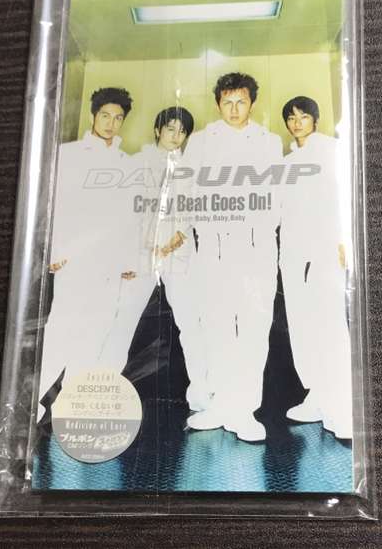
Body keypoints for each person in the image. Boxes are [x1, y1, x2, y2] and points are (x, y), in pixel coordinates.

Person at [168, 73, 283, 442]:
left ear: (252, 103)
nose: (234, 109)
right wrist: (187, 229)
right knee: (215, 325)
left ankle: (244, 411)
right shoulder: (202, 141)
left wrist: (257, 228)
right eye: (227, 102)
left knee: (252, 327)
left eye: (241, 102)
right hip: (212, 247)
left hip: (255, 248)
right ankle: (219, 405)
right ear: (218, 104)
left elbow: (277, 195)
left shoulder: (268, 142)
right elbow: (186, 189)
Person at [37, 87, 135, 421]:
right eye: (105, 115)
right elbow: (52, 205)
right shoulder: (68, 154)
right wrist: (54, 249)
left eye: (118, 118)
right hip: (75, 260)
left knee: (95, 334)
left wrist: (127, 260)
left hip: (109, 264)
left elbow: (128, 217)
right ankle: (32, 405)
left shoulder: (126, 163)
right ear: (93, 115)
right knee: (62, 329)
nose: (110, 123)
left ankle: (70, 405)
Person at [103, 106, 199, 397]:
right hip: (139, 256)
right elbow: (125, 213)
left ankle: (202, 393)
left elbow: (192, 213)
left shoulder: (191, 167)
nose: (176, 136)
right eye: (170, 129)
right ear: (158, 130)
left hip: (178, 255)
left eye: (182, 131)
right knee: (122, 321)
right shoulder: (138, 162)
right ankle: (103, 386)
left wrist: (170, 244)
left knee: (191, 322)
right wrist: (132, 254)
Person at [279, 96, 353, 439]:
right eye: (291, 118)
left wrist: (344, 240)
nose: (297, 123)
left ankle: (341, 410)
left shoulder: (331, 150)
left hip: (325, 250)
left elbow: (346, 197)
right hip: (294, 254)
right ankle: (317, 397)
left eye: (303, 117)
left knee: (329, 325)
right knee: (302, 326)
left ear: (315, 120)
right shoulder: (287, 161)